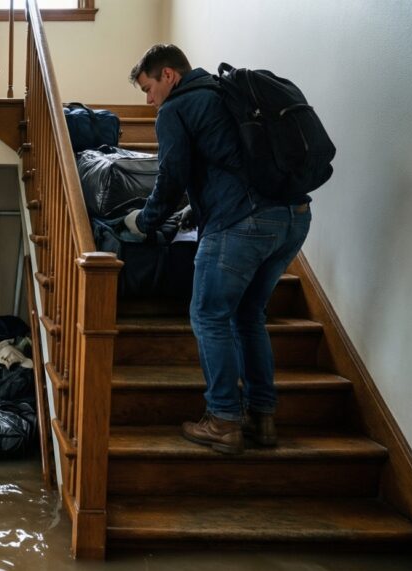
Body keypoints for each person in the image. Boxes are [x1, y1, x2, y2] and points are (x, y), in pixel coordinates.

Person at [124, 44, 311, 454]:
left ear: (168, 75)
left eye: (148, 88)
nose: (148, 99)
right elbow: (232, 163)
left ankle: (224, 420)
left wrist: (145, 221)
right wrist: (195, 211)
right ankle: (261, 418)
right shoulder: (227, 93)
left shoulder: (177, 109)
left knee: (208, 314)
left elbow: (170, 176)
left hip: (242, 223)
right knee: (248, 314)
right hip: (293, 216)